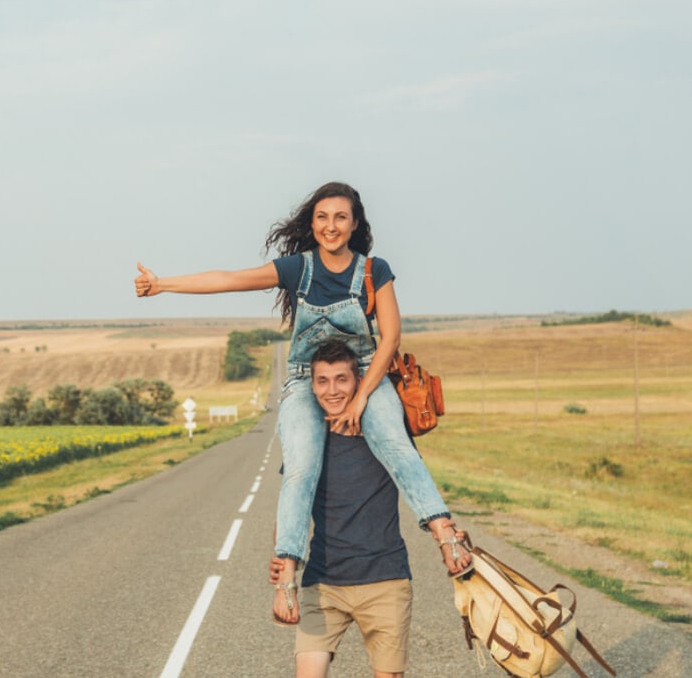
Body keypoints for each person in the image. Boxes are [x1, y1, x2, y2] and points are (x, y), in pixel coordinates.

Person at [134, 181, 469, 625]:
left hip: (365, 372)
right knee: (301, 466)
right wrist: (162, 285)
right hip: (305, 379)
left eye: (341, 218)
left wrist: (362, 397)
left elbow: (390, 338)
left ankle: (445, 533)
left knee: (394, 441)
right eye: (323, 218)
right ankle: (287, 574)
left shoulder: (374, 269)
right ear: (312, 224)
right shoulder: (297, 268)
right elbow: (230, 280)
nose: (331, 226)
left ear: (355, 224)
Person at [270, 338, 464, 678]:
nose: (332, 391)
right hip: (323, 585)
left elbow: (413, 477)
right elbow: (292, 504)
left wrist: (445, 533)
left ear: (358, 380)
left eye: (341, 379)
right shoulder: (307, 444)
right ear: (311, 386)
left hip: (384, 582)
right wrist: (281, 560)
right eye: (322, 381)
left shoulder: (386, 433)